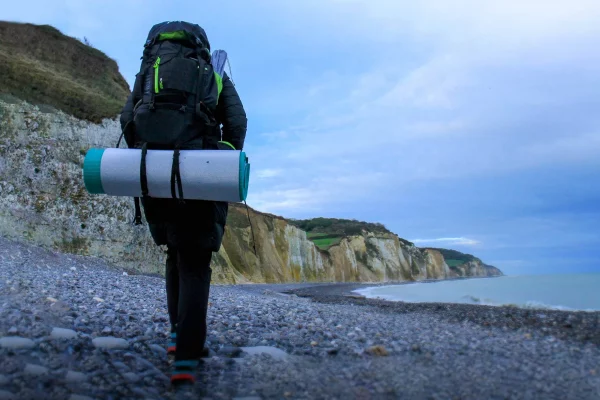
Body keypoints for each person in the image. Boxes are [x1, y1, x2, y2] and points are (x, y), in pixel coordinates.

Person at [119, 21, 247, 387]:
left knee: (175, 253)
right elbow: (238, 122)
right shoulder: (212, 73)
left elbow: (128, 118)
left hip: (155, 177)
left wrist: (150, 158)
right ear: (201, 46)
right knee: (195, 262)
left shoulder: (148, 72)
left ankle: (178, 337)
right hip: (198, 178)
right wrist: (222, 157)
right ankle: (187, 358)